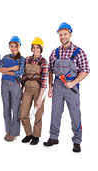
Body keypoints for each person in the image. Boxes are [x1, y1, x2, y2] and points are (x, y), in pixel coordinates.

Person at [43, 22, 90, 153]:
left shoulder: (78, 52)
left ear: (70, 34)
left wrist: (73, 82)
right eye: (60, 34)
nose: (62, 37)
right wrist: (51, 88)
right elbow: (50, 70)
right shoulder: (55, 52)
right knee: (55, 112)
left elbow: (85, 71)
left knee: (75, 114)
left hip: (72, 87)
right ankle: (53, 137)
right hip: (58, 85)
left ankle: (77, 141)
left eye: (65, 34)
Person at [20, 37, 48, 145]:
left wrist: (40, 98)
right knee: (23, 114)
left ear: (41, 49)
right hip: (27, 88)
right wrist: (20, 90)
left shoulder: (43, 62)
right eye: (33, 47)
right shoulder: (27, 59)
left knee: (38, 114)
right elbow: (23, 77)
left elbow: (44, 81)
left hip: (38, 89)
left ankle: (36, 136)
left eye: (37, 47)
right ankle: (29, 134)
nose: (35, 49)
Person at [0, 36, 25, 141]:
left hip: (15, 85)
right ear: (9, 46)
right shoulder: (5, 57)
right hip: (4, 85)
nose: (13, 48)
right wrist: (12, 69)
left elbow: (20, 72)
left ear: (19, 47)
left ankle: (14, 133)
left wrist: (7, 72)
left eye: (15, 46)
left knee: (15, 109)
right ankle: (8, 131)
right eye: (11, 46)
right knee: (6, 109)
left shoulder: (22, 59)